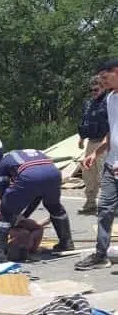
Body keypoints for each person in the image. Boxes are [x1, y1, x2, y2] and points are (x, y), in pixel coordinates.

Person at [0, 149, 74, 263]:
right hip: (54, 173)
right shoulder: (33, 153)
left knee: (6, 211)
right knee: (54, 207)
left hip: (29, 175)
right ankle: (66, 243)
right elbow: (37, 197)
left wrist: (11, 215)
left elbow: (3, 192)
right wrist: (23, 215)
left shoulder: (2, 163)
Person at [75, 59, 118, 270]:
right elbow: (112, 132)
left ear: (116, 72)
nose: (102, 81)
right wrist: (96, 152)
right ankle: (101, 255)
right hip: (112, 164)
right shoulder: (110, 99)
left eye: (104, 77)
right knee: (105, 209)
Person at [77, 75, 109, 214]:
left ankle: (110, 205)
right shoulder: (89, 104)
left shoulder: (110, 101)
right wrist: (81, 138)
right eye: (91, 90)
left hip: (105, 142)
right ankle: (90, 203)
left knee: (104, 175)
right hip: (91, 141)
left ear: (103, 88)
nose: (93, 93)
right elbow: (85, 122)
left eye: (96, 89)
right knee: (88, 173)